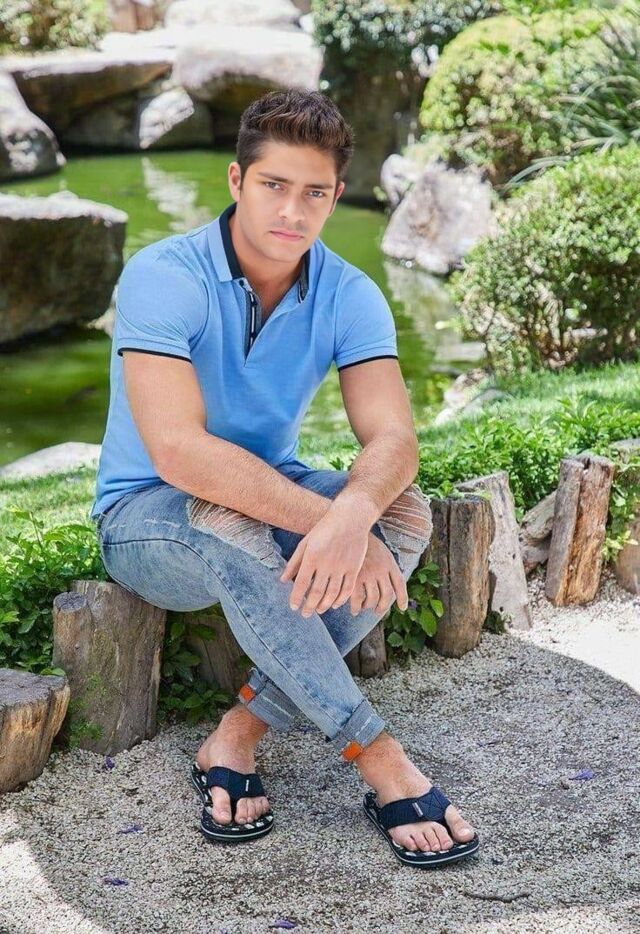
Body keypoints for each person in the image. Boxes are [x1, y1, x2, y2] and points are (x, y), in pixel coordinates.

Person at [90, 88, 479, 868]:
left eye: (314, 193)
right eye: (274, 185)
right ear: (237, 180)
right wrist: (330, 521)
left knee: (403, 514)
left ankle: (238, 734)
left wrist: (355, 514)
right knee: (228, 518)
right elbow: (179, 453)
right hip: (147, 518)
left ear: (337, 196)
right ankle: (377, 755)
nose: (293, 212)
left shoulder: (350, 292)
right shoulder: (163, 275)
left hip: (266, 492)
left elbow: (394, 437)